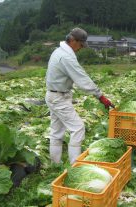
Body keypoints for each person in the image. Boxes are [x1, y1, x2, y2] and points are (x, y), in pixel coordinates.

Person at [45, 27, 114, 165]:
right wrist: (100, 96)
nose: (81, 48)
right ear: (73, 41)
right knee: (78, 128)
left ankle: (55, 165)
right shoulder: (66, 57)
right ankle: (75, 165)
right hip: (59, 97)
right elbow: (82, 78)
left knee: (57, 132)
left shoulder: (59, 51)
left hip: (54, 94)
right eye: (81, 45)